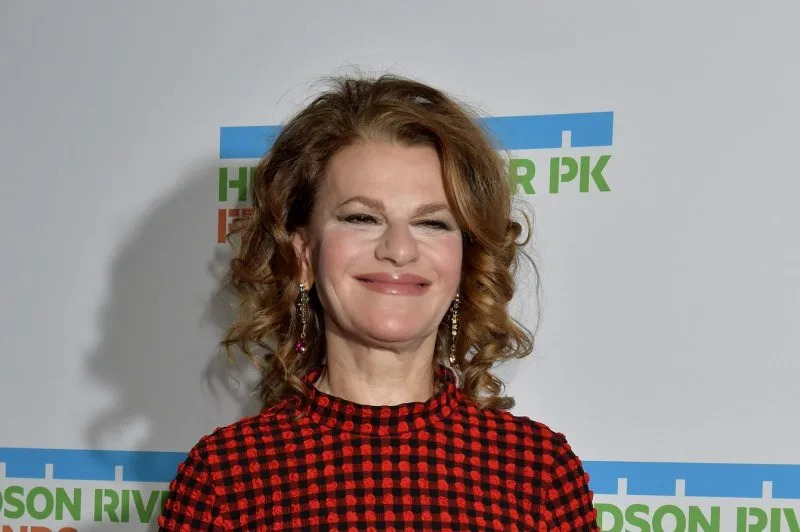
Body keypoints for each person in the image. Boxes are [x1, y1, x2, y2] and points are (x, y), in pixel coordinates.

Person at [158, 74, 598, 531]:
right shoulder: (225, 480)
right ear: (304, 255)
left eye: (432, 223)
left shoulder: (539, 474)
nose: (399, 249)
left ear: (466, 260)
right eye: (362, 217)